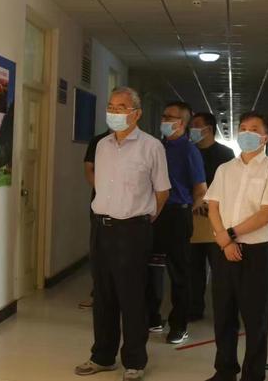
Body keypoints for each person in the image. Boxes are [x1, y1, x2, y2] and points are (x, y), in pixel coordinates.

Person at [75, 87, 170, 381]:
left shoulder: (151, 146)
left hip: (133, 230)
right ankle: (103, 356)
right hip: (101, 228)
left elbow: (162, 191)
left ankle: (134, 360)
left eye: (121, 107)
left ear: (136, 114)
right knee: (103, 295)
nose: (114, 112)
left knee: (132, 297)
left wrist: (144, 218)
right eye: (111, 106)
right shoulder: (102, 145)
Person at [204, 111, 268, 381]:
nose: (246, 133)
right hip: (223, 250)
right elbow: (213, 206)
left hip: (256, 252)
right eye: (243, 128)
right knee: (223, 314)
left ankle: (253, 376)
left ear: (265, 138)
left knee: (256, 319)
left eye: (253, 129)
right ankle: (224, 371)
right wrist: (224, 239)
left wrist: (229, 235)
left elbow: (266, 214)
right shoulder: (225, 169)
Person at [146, 102, 206, 344]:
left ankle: (179, 325)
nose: (164, 120)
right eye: (163, 116)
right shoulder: (157, 147)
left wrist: (188, 210)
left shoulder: (189, 151)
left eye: (169, 117)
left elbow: (201, 189)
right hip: (153, 213)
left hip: (177, 214)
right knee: (151, 268)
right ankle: (152, 317)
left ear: (181, 123)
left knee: (179, 272)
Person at [188, 112, 235, 322]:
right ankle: (194, 308)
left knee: (220, 268)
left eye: (197, 125)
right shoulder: (189, 151)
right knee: (193, 267)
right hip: (192, 216)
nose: (192, 129)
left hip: (217, 219)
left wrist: (209, 203)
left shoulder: (225, 154)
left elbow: (230, 186)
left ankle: (224, 311)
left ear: (209, 128)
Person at [79, 128, 111, 309]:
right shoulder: (98, 141)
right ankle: (97, 294)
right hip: (101, 205)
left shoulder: (142, 143)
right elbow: (89, 169)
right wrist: (104, 191)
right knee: (99, 251)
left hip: (128, 209)